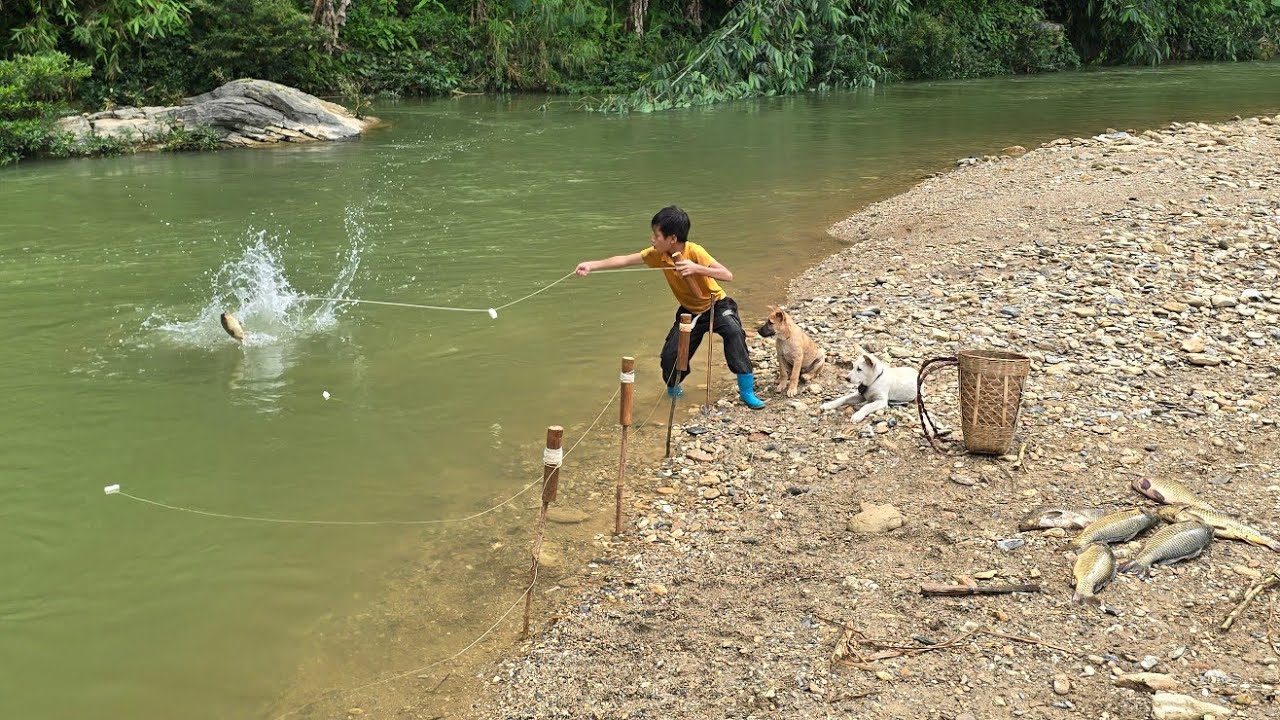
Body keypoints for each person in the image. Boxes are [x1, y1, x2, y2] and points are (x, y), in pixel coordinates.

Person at [575, 205, 765, 409]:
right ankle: (675, 391)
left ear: (672, 238)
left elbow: (727, 275)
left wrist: (695, 268)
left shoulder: (695, 251)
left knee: (734, 333)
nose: (652, 239)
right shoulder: (658, 254)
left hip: (716, 304)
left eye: (657, 235)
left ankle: (747, 392)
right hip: (689, 311)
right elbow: (624, 260)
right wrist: (592, 265)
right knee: (670, 357)